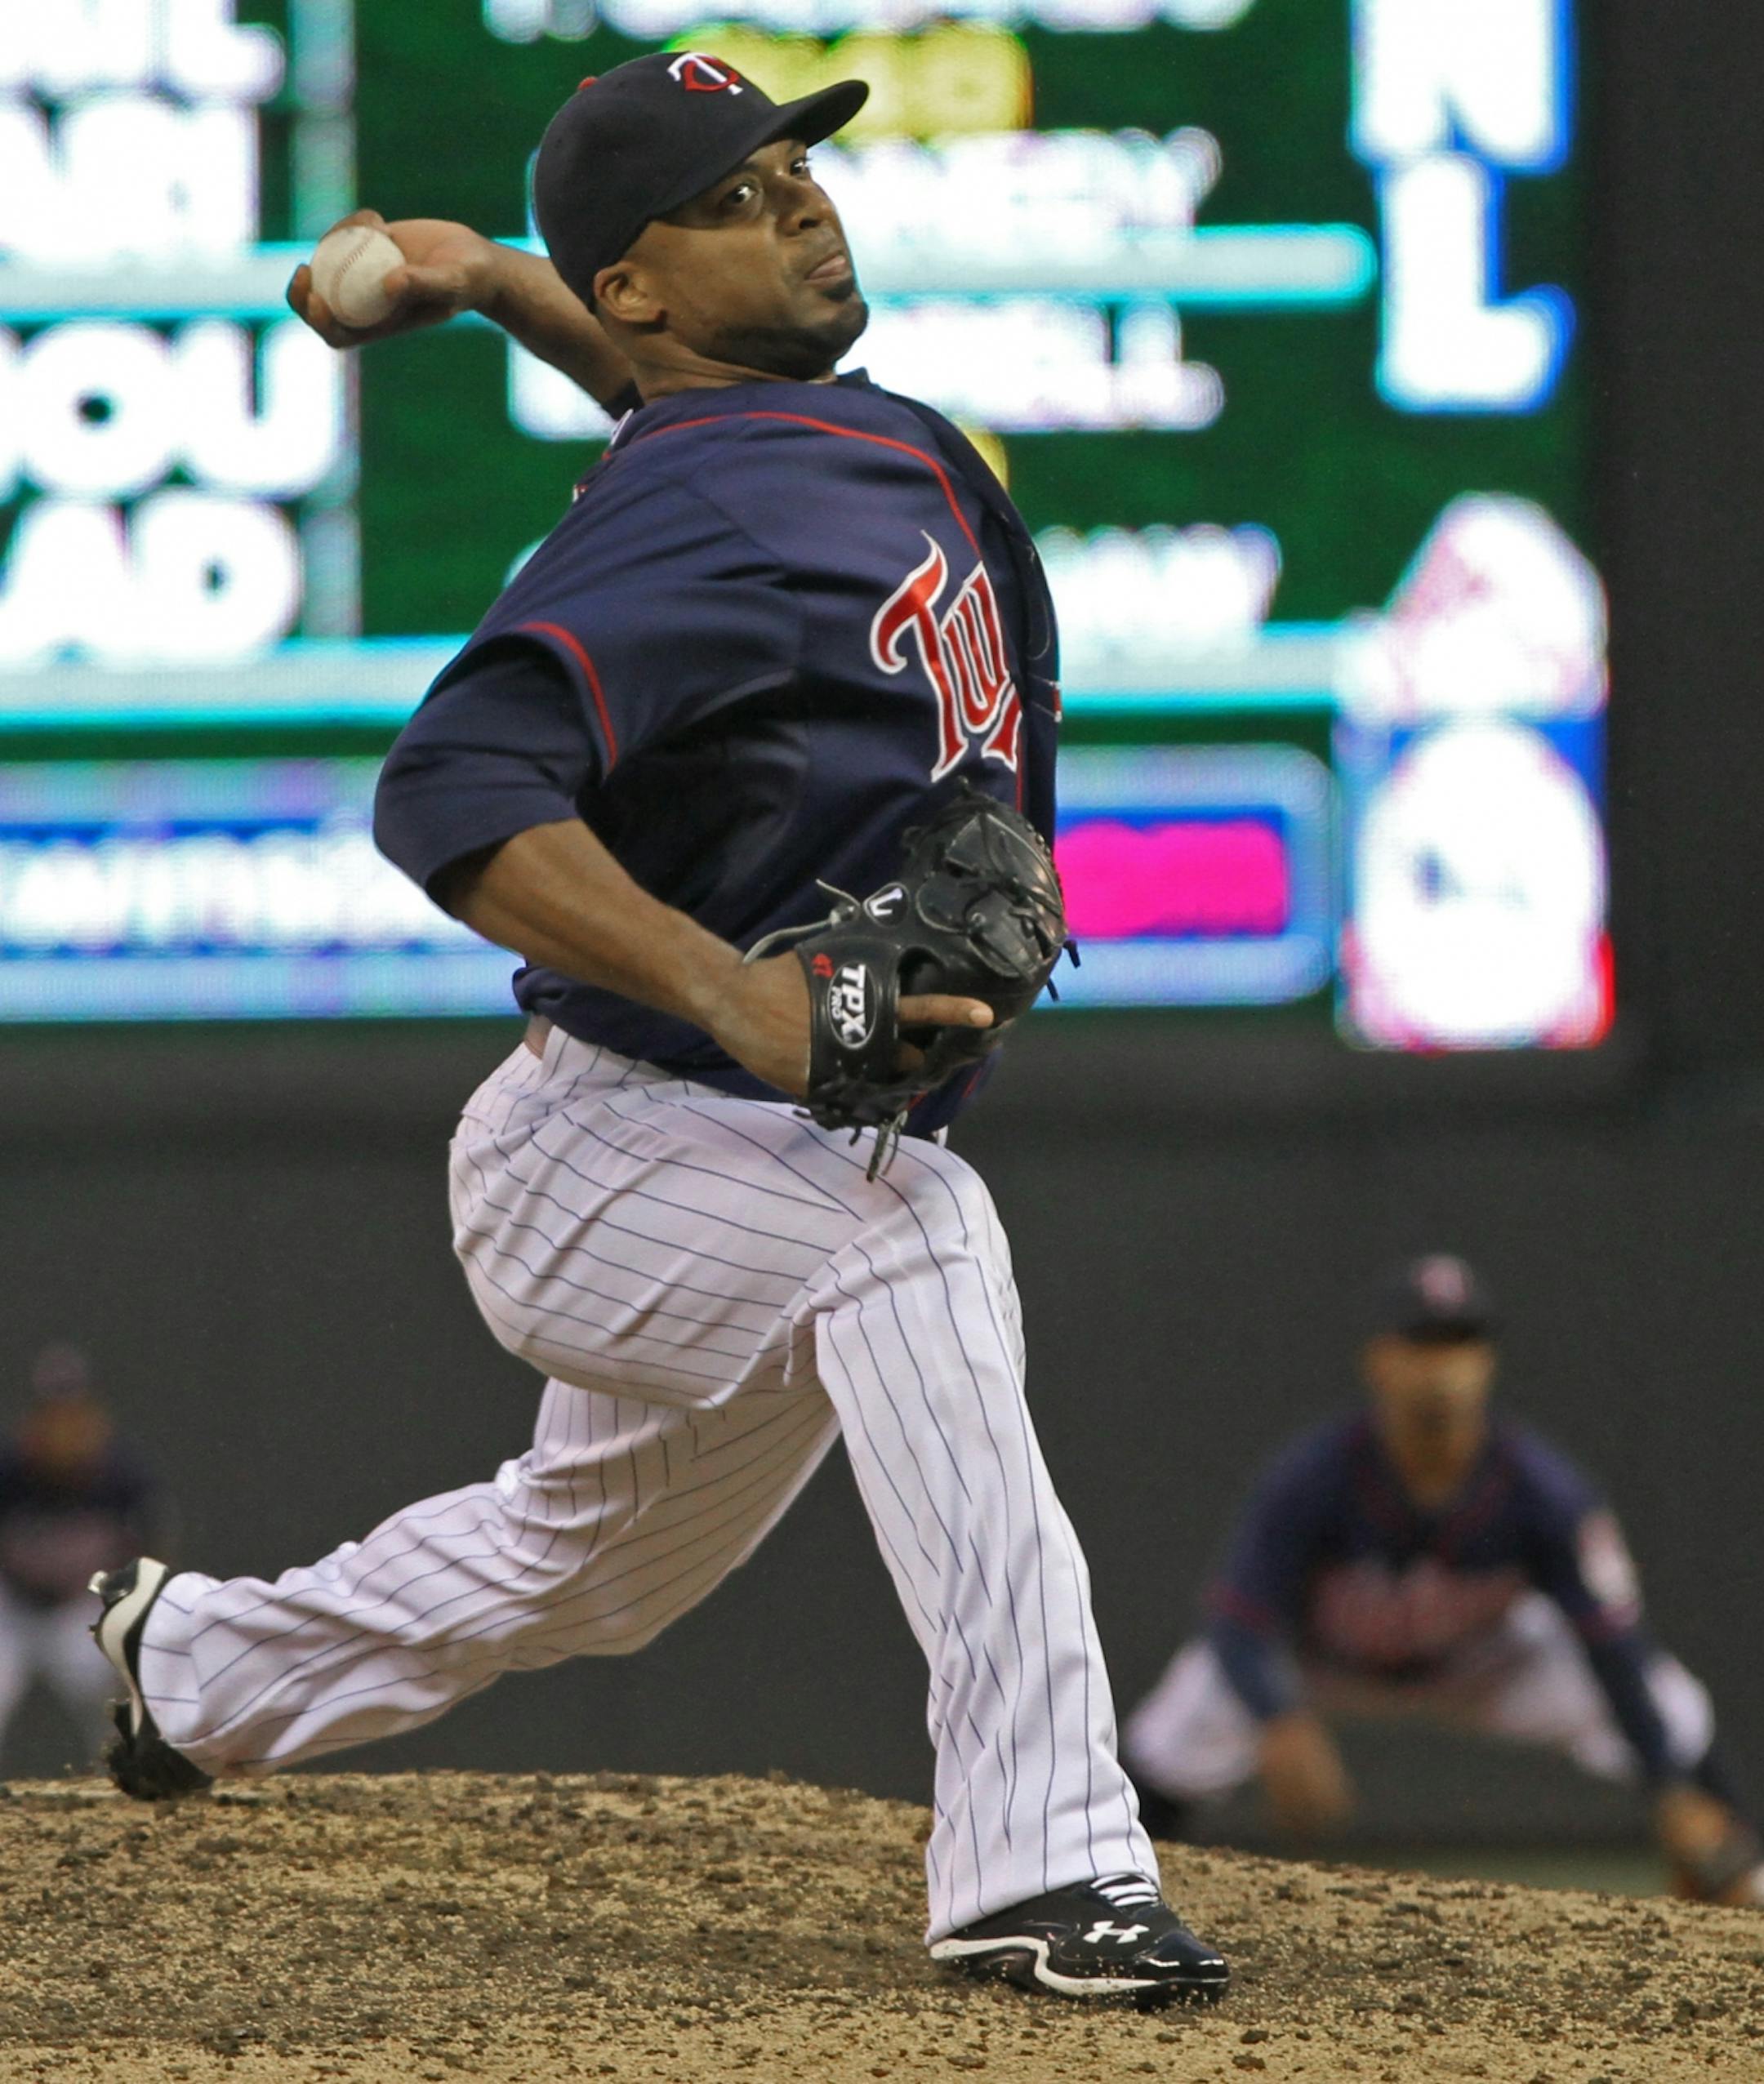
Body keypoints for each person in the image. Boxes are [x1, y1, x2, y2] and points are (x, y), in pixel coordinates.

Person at [87, 53, 1228, 2008]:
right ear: (640, 279)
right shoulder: (693, 512)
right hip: (620, 1141)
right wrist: (738, 994)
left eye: (793, 167)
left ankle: (192, 1666)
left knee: (589, 1563)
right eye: (730, 194)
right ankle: (1044, 1865)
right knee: (916, 1242)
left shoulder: (785, 430)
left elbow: (668, 390)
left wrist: (488, 279)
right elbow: (448, 785)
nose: (795, 203)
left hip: (758, 1147)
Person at [1122, 1254, 1764, 1905]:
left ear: (1487, 1362)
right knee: (1189, 1710)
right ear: (1379, 1361)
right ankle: (1113, 1872)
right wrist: (1278, 1718)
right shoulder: (1313, 1478)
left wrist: (1668, 1786)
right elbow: (1238, 1622)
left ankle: (1744, 1882)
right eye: (1421, 1345)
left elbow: (1612, 1642)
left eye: (1460, 1345)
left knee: (1671, 1706)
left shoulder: (1545, 1493)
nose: (1441, 1369)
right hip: (1327, 1664)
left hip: (1486, 1667)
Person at [0, 1346, 155, 1769]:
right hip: (11, 1609)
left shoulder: (122, 1477)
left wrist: (127, 1620)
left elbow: (150, 1554)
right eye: (52, 1413)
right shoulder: (9, 1472)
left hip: (79, 1607)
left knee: (115, 1703)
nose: (63, 1427)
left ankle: (125, 1790)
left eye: (73, 1413)